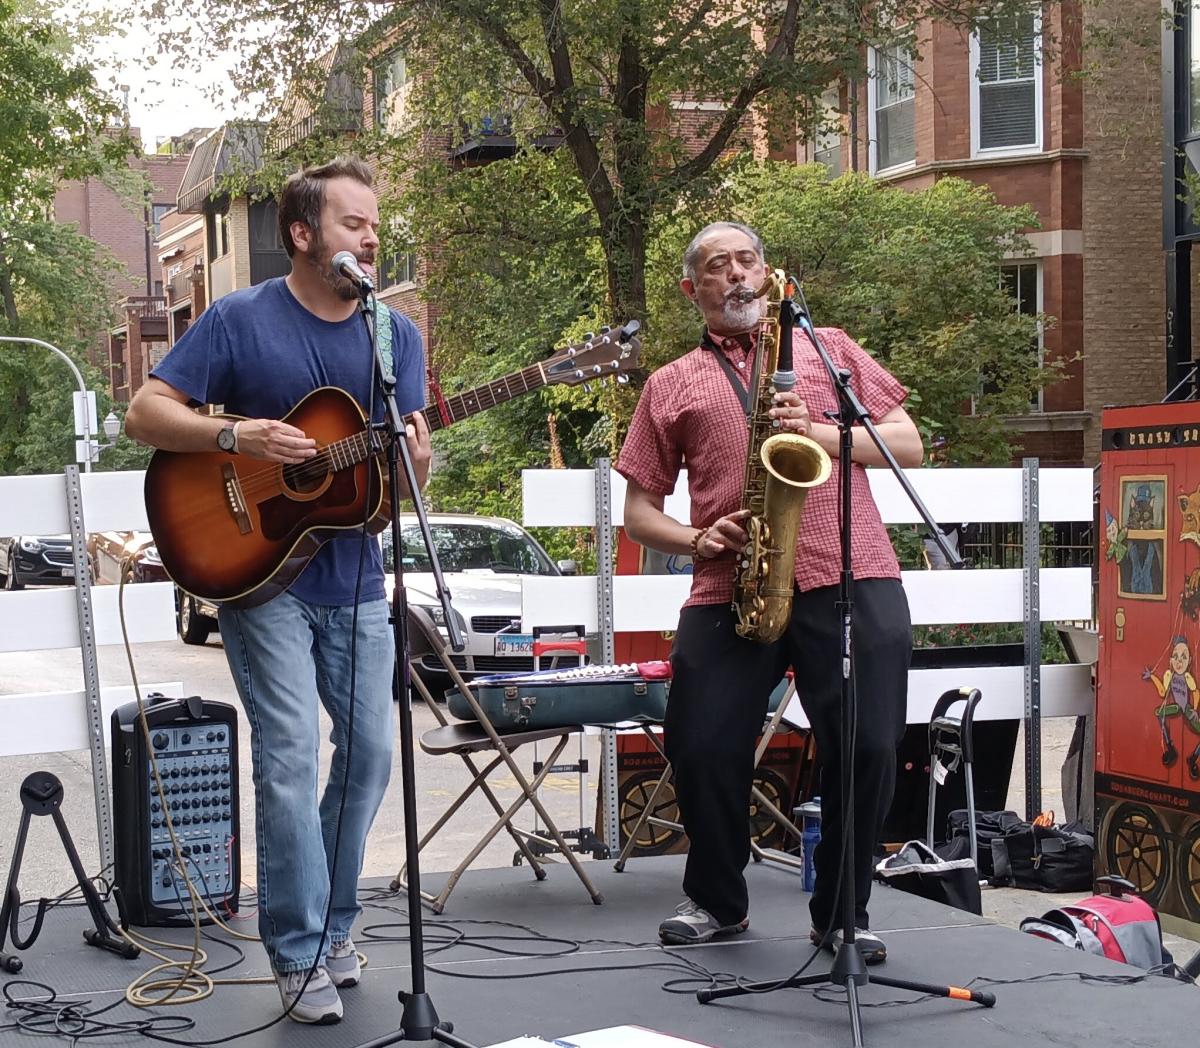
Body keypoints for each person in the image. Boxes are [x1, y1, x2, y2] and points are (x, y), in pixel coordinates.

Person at [125, 157, 431, 1023]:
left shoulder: (391, 335)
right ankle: (296, 952)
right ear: (303, 235)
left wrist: (415, 453)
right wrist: (237, 437)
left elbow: (397, 475)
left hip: (358, 576)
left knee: (371, 754)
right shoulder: (238, 319)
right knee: (291, 760)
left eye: (375, 223)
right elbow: (145, 412)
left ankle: (335, 929)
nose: (370, 237)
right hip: (257, 575)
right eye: (352, 222)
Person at [616, 221, 923, 963]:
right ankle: (719, 900)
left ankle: (843, 914)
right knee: (702, 745)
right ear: (695, 291)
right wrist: (696, 540)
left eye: (746, 260)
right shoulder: (671, 383)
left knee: (870, 745)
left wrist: (817, 430)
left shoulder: (829, 348)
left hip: (851, 572)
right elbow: (638, 512)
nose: (735, 275)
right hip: (733, 582)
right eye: (717, 267)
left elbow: (905, 442)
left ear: (769, 272)